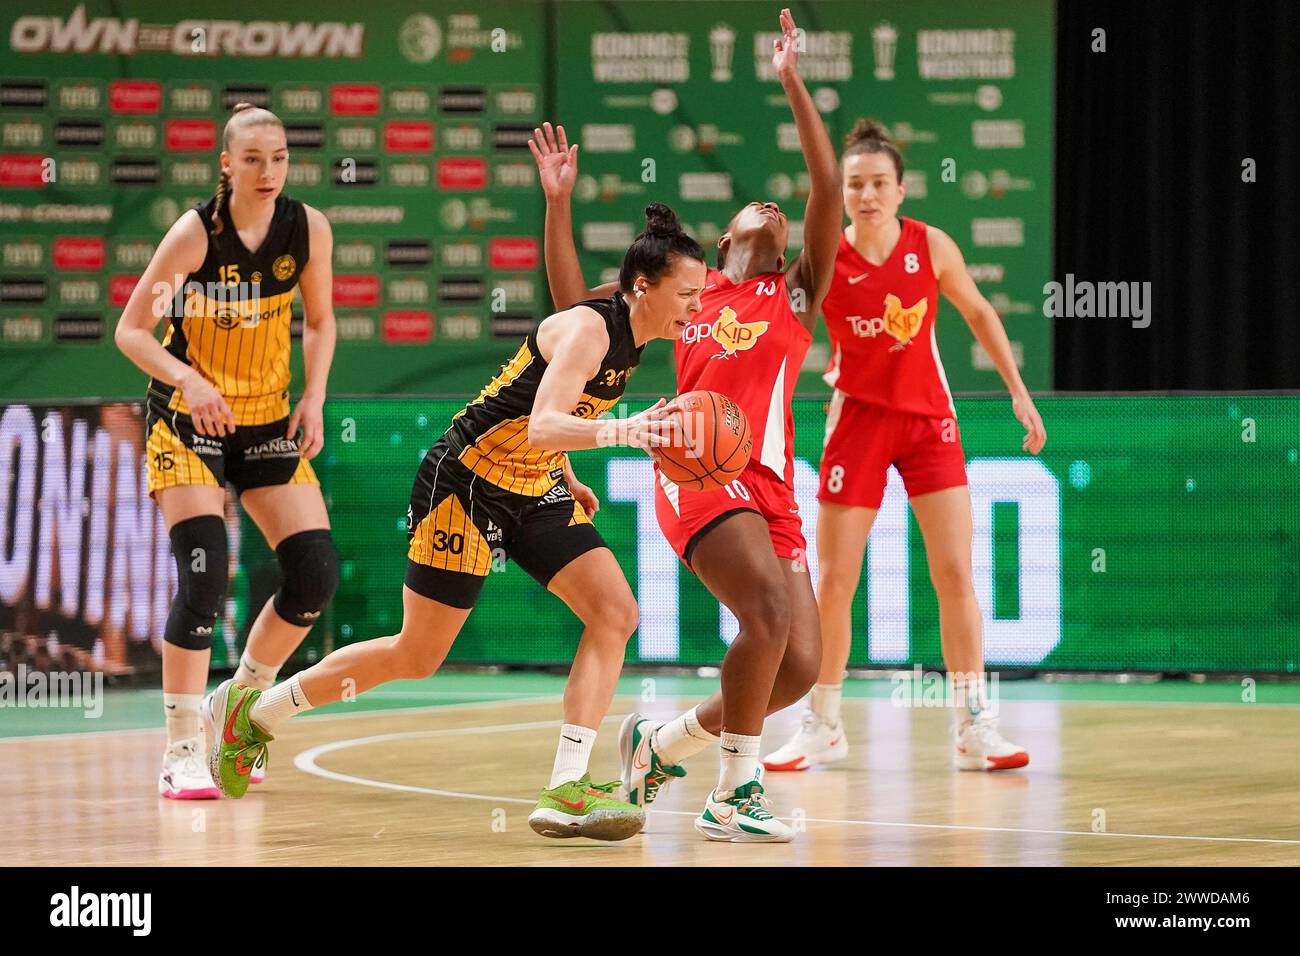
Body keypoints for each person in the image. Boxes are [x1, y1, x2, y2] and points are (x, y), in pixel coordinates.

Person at [207, 204, 706, 842]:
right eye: (687, 293)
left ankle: (567, 784)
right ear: (643, 287)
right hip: (464, 484)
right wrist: (625, 431)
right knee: (418, 655)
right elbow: (543, 422)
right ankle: (255, 712)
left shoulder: (634, 340)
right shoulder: (590, 330)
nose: (697, 304)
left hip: (535, 484)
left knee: (616, 613)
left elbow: (546, 421)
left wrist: (569, 474)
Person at [535, 8, 841, 842]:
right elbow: (576, 311)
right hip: (693, 469)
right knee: (770, 617)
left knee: (801, 667)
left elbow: (826, 188)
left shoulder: (797, 293)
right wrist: (558, 206)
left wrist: (791, 81)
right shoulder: (686, 294)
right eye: (756, 204)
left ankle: (660, 741)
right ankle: (732, 795)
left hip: (770, 484)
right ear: (724, 237)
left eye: (781, 212)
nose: (773, 205)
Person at [762, 119, 1047, 774]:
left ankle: (976, 724)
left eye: (878, 183)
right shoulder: (827, 256)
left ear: (901, 188)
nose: (866, 195)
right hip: (857, 419)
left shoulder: (932, 246)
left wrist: (1019, 392)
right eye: (855, 184)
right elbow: (781, 332)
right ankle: (823, 722)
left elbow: (979, 312)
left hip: (929, 423)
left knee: (954, 573)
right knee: (834, 582)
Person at [114, 103, 338, 800]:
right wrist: (188, 379)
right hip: (188, 423)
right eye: (252, 159)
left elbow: (322, 320)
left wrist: (315, 397)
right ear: (225, 163)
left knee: (314, 575)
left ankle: (237, 704)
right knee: (205, 580)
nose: (267, 171)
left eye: (278, 158)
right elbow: (132, 332)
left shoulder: (306, 228)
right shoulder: (193, 236)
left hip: (269, 419)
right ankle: (181, 748)